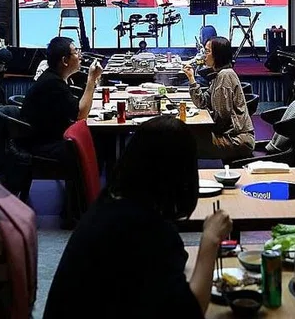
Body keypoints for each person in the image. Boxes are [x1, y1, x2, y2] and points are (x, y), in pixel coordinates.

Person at [44, 116, 232, 319]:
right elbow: (189, 313)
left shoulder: (110, 202)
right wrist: (210, 241)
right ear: (181, 176)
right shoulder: (146, 229)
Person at [20, 36, 103, 160]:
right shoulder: (52, 83)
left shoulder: (54, 77)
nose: (80, 56)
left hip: (50, 137)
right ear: (65, 60)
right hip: (43, 145)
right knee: (102, 141)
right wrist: (91, 79)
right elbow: (81, 115)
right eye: (76, 52)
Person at [183, 36, 254, 161]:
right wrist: (192, 79)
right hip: (230, 136)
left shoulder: (225, 76)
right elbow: (202, 102)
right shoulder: (219, 75)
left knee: (184, 142)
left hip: (236, 140)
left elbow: (222, 117)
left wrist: (202, 128)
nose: (204, 55)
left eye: (207, 51)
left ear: (218, 55)